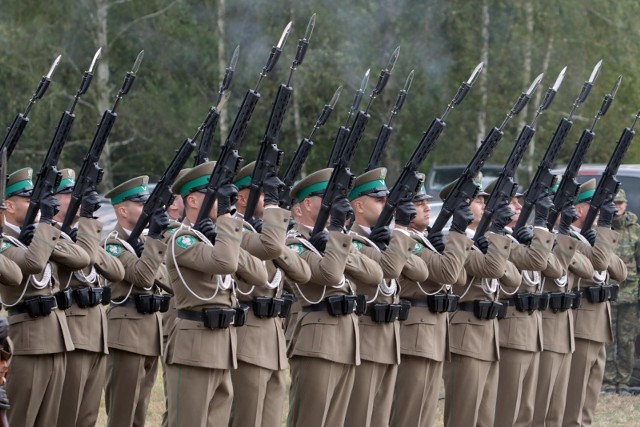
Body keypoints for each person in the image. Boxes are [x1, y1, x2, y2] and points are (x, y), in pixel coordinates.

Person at [164, 161, 267, 426]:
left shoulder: (219, 240)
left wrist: (224, 233)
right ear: (193, 201)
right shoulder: (182, 239)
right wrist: (225, 221)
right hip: (194, 347)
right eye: (214, 193)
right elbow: (225, 264)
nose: (223, 199)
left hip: (223, 346)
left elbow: (260, 275)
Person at [285, 168, 383, 427]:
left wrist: (336, 246)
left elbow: (375, 274)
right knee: (311, 419)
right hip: (317, 341)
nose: (336, 205)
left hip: (346, 340)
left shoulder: (336, 239)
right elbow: (328, 274)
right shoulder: (294, 242)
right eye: (328, 198)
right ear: (307, 203)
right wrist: (336, 238)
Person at [1, 167, 90, 426]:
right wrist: (43, 231)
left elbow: (82, 258)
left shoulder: (40, 236)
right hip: (29, 340)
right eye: (29, 200)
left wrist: (44, 234)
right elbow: (32, 264)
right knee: (22, 418)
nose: (37, 206)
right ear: (8, 204)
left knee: (49, 420)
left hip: (57, 337)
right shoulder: (4, 240)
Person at [343, 168, 429, 427]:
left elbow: (421, 271)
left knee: (380, 419)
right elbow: (387, 270)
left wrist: (393, 240)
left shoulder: (390, 239)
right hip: (366, 338)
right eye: (379, 200)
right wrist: (395, 238)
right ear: (358, 205)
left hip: (388, 339)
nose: (387, 206)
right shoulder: (351, 240)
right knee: (360, 417)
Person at [229, 162, 311, 427]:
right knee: (246, 419)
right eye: (265, 193)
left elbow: (303, 273)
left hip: (273, 339)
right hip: (247, 338)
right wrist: (275, 230)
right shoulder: (232, 231)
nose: (271, 200)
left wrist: (276, 241)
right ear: (242, 199)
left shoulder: (270, 237)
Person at [391, 177, 473, 427]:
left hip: (433, 332)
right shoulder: (406, 241)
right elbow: (449, 274)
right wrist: (457, 233)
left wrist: (444, 248)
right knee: (408, 413)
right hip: (414, 333)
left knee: (424, 415)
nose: (427, 207)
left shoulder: (424, 239)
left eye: (427, 202)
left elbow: (458, 277)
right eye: (418, 203)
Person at [440, 179, 522, 427]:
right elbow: (495, 268)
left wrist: (492, 240)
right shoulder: (452, 242)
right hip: (465, 334)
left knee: (485, 416)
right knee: (464, 416)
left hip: (488, 333)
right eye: (477, 201)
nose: (483, 205)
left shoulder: (482, 241)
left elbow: (514, 279)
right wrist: (496, 235)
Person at [52, 169, 126, 427]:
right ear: (52, 200)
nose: (77, 200)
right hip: (72, 332)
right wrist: (84, 233)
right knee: (67, 414)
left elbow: (116, 271)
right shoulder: (50, 236)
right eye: (69, 194)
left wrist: (86, 235)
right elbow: (82, 259)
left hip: (96, 332)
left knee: (88, 417)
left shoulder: (84, 237)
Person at [103, 176, 171, 427]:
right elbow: (143, 278)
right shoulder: (112, 245)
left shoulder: (145, 243)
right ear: (122, 210)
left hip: (150, 332)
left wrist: (152, 242)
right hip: (126, 333)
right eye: (141, 204)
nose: (148, 210)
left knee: (139, 414)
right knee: (122, 414)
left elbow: (168, 281)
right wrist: (154, 239)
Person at [564, 179, 627, 426]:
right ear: (578, 209)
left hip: (599, 323)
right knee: (574, 398)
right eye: (594, 204)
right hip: (581, 322)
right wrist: (601, 234)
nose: (601, 210)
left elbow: (620, 272)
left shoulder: (592, 238)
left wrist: (598, 237)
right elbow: (597, 265)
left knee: (589, 397)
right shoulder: (571, 239)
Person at [603, 188, 640, 395]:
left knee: (627, 341)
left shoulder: (635, 230)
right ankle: (608, 382)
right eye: (613, 203)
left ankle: (624, 382)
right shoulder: (602, 230)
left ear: (625, 205)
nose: (617, 207)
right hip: (607, 296)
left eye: (620, 203)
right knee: (607, 341)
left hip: (630, 296)